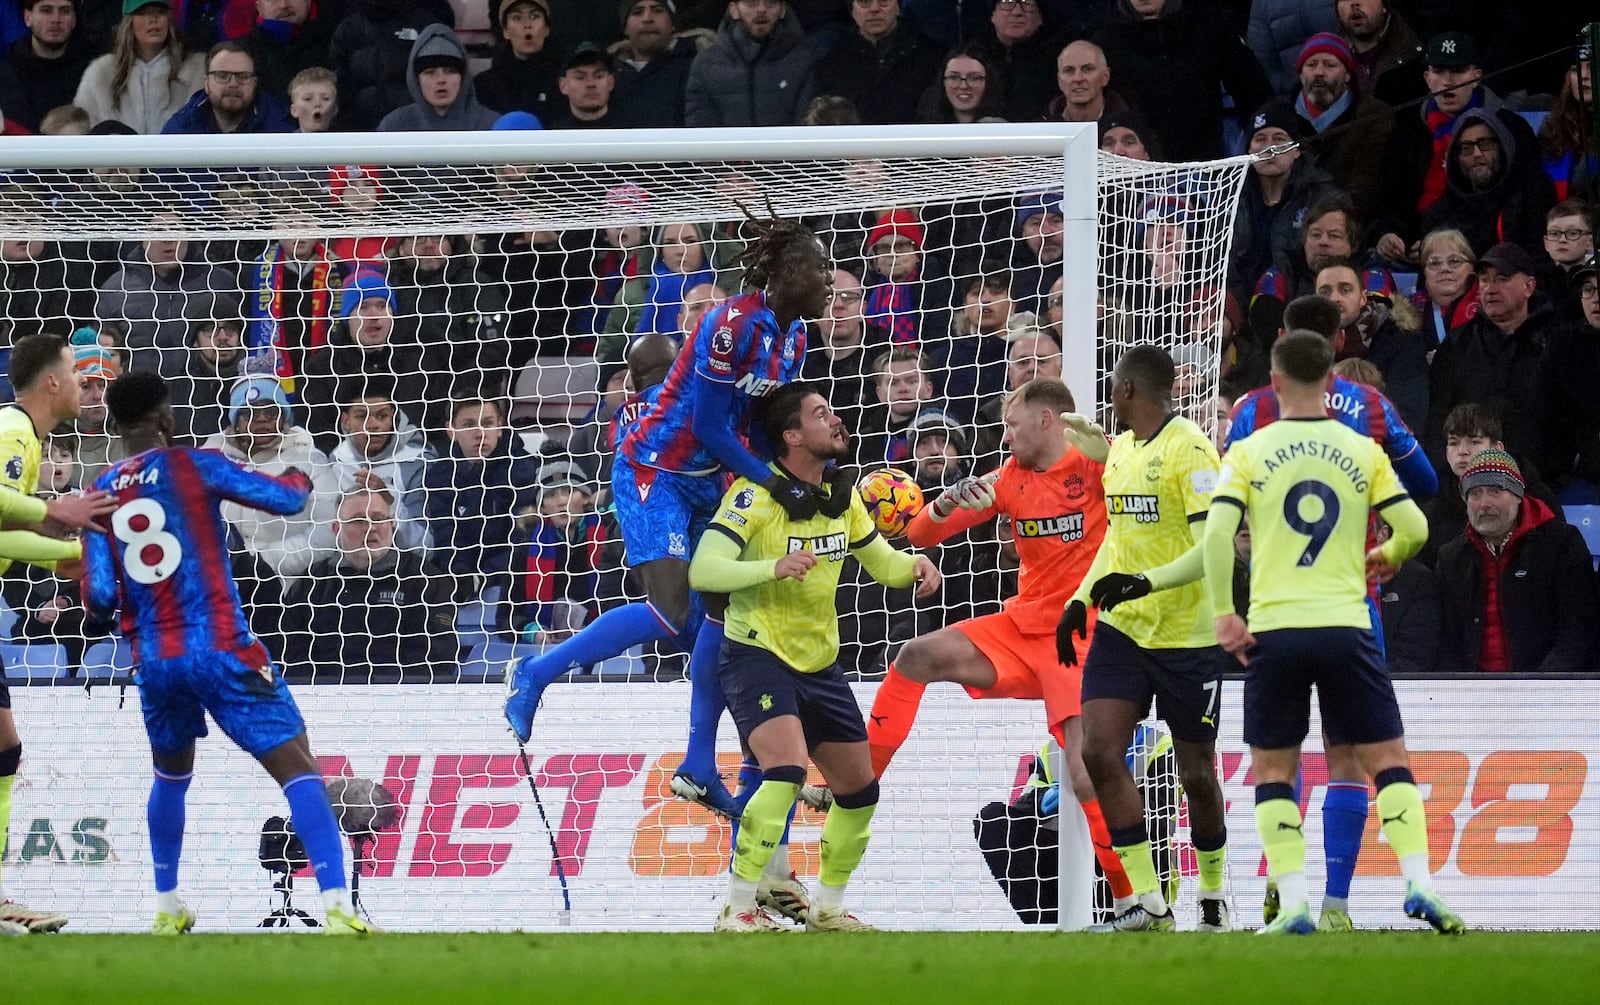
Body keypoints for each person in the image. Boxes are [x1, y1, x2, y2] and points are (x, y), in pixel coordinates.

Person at [503, 211, 830, 820]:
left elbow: (760, 426)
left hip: (713, 475)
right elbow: (707, 422)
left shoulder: (795, 338)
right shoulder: (730, 324)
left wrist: (797, 478)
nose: (830, 279)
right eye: (817, 266)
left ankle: (699, 762)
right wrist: (773, 486)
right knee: (676, 606)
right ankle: (537, 671)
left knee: (721, 609)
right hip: (654, 468)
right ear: (786, 271)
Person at [81, 371, 372, 936]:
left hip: (155, 660)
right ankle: (338, 907)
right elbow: (284, 499)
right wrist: (298, 467)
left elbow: (98, 598)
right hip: (219, 644)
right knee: (298, 768)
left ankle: (167, 907)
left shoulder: (102, 490)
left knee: (170, 777)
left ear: (113, 424)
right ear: (167, 418)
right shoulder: (194, 464)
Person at [1202, 329, 1464, 936]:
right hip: (1348, 624)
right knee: (1387, 760)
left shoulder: (1250, 449)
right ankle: (1419, 883)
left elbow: (1217, 535)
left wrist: (1224, 612)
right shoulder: (1362, 451)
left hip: (1274, 628)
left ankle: (1292, 903)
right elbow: (1416, 524)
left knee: (1275, 767)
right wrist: (1392, 551)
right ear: (1331, 382)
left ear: (1273, 381)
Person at [865, 377, 1135, 905]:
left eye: (1012, 424)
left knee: (1084, 777)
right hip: (1020, 628)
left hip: (1082, 638)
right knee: (916, 655)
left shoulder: (1101, 468)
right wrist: (943, 505)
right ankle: (854, 787)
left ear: (1047, 420)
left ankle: (1134, 901)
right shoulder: (1008, 477)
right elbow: (919, 535)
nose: (1004, 434)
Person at [692, 383, 938, 931]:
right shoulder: (752, 497)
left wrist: (914, 565)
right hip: (756, 653)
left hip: (820, 662)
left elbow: (883, 564)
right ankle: (736, 908)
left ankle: (827, 910)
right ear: (792, 436)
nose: (835, 420)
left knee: (859, 788)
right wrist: (770, 568)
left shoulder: (843, 496)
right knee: (783, 770)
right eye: (820, 413)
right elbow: (703, 571)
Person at [1062, 345, 1230, 932]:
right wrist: (1079, 602)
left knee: (1196, 776)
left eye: (1112, 382)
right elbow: (1119, 541)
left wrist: (1145, 582)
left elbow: (1214, 550)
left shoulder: (1192, 450)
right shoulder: (1122, 451)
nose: (1108, 390)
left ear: (1130, 387)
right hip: (1124, 631)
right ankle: (1145, 902)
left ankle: (1212, 894)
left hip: (1187, 637)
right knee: (1099, 750)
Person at [0, 333, 119, 934]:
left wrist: (61, 555)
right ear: (51, 382)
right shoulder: (13, 428)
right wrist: (56, 517)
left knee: (4, 749)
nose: (83, 385)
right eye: (77, 373)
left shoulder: (28, 436)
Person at [1435, 449, 1596, 673]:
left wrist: (1537, 689)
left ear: (1518, 496)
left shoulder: (1562, 544)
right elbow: (1446, 645)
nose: (1484, 504)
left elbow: (1576, 633)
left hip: (1549, 692)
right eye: (1475, 493)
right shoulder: (1451, 557)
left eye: (1495, 491)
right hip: (1471, 698)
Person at [281, 486, 460, 684]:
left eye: (378, 519)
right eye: (358, 520)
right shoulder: (312, 583)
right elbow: (293, 655)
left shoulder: (427, 580)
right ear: (336, 529)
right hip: (325, 699)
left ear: (392, 525)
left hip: (403, 700)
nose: (370, 527)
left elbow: (436, 658)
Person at [1093, 0, 1271, 163]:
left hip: (1204, 169)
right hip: (1134, 172)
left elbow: (1254, 91)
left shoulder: (1208, 28)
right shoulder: (1105, 42)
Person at [1425, 243, 1553, 464]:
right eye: (1484, 280)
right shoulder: (1458, 342)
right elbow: (1437, 420)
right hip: (1467, 477)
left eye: (1502, 279)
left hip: (1541, 478)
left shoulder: (1555, 341)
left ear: (1529, 286)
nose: (1491, 288)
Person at [1290, 32, 1393, 225]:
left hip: (1350, 222)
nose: (1319, 72)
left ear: (1347, 74)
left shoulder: (1374, 116)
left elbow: (1366, 185)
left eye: (1330, 65)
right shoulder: (1279, 117)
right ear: (1301, 73)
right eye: (1311, 65)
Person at [1316, 258, 1429, 430]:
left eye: (1345, 290)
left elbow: (1408, 415)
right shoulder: (1300, 347)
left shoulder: (1401, 340)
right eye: (1325, 292)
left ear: (1363, 298)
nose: (1334, 298)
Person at [683, 0, 823, 128]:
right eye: (751, 2)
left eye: (771, 3)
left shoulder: (806, 60)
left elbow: (807, 127)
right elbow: (700, 127)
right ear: (734, 10)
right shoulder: (706, 64)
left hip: (787, 154)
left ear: (782, 10)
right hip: (727, 155)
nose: (762, 9)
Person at [73, 0, 205, 134]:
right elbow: (81, 129)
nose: (153, 19)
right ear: (129, 21)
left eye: (160, 12)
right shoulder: (100, 73)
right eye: (143, 13)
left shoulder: (196, 70)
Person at [813, 0, 940, 126]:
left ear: (899, 6)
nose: (874, 8)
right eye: (864, 2)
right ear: (851, 9)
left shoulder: (932, 56)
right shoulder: (832, 63)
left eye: (884, 1)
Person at [0, 0, 101, 134]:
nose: (56, 19)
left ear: (74, 19)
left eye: (64, 11)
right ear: (28, 18)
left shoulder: (96, 69)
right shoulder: (7, 72)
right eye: (46, 10)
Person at [376, 24, 499, 131]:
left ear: (463, 77)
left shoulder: (492, 126)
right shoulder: (394, 126)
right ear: (416, 80)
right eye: (430, 72)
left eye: (450, 71)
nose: (441, 79)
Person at [611, 0, 707, 129]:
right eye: (637, 12)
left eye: (657, 11)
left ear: (673, 24)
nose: (647, 19)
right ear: (625, 28)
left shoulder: (699, 67)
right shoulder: (608, 74)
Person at [473, 0, 562, 124]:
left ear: (547, 29)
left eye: (534, 16)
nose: (527, 25)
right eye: (517, 17)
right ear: (505, 31)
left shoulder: (564, 80)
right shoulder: (483, 85)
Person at [916, 43, 1004, 124]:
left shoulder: (1005, 128)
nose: (963, 86)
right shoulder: (925, 129)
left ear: (988, 83)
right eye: (954, 77)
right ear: (943, 83)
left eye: (974, 78)